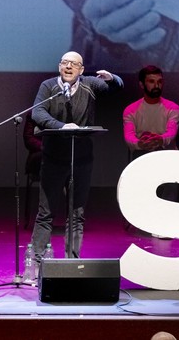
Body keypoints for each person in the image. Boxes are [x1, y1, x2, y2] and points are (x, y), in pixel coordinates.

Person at [30, 51, 123, 259]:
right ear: (59, 66)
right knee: (45, 214)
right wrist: (61, 126)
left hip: (81, 160)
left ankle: (72, 263)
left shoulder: (89, 84)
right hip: (53, 158)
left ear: (81, 70)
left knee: (77, 215)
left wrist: (113, 79)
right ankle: (37, 262)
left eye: (74, 64)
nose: (69, 67)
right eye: (65, 63)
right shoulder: (48, 87)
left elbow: (117, 88)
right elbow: (37, 113)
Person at [123, 65, 179, 211]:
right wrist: (141, 144)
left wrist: (159, 140)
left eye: (160, 81)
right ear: (142, 84)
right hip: (142, 154)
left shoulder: (172, 108)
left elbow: (171, 133)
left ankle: (166, 215)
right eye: (151, 81)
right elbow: (129, 137)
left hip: (166, 155)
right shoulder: (131, 110)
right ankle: (143, 214)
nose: (157, 85)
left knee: (172, 166)